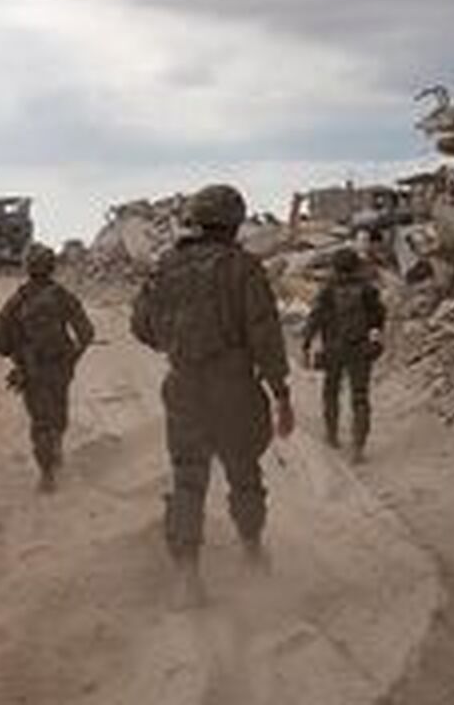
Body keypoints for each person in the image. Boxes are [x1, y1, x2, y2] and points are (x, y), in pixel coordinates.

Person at [131, 184, 295, 608]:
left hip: (184, 385)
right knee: (243, 471)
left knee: (188, 478)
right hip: (234, 386)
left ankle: (188, 577)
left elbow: (141, 327)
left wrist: (177, 343)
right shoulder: (243, 268)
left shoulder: (165, 267)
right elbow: (265, 335)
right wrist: (280, 393)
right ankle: (252, 552)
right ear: (233, 222)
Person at [0, 243, 94, 492]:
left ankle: (46, 473)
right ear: (52, 267)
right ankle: (56, 449)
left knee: (40, 420)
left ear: (27, 267)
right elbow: (87, 333)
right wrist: (72, 357)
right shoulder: (63, 296)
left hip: (32, 370)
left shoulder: (18, 300)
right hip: (61, 369)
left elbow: (1, 341)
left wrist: (12, 353)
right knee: (58, 410)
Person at [301, 247, 385, 463]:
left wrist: (307, 342)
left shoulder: (327, 290)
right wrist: (376, 338)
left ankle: (332, 435)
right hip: (360, 348)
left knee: (330, 392)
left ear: (335, 267)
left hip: (333, 349)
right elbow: (379, 317)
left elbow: (315, 317)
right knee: (360, 396)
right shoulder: (368, 289)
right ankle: (358, 447)